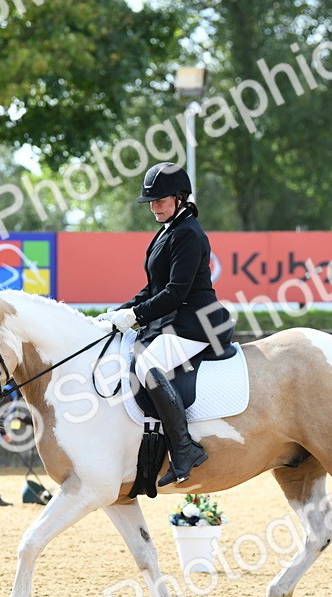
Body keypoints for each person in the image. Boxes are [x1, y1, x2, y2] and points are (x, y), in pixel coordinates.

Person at [96, 162, 233, 486]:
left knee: (148, 365)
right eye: (151, 202)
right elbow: (153, 288)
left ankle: (185, 449)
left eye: (160, 200)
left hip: (197, 322)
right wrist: (118, 312)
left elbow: (175, 292)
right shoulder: (168, 229)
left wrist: (137, 316)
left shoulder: (188, 233)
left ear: (180, 197)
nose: (154, 206)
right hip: (175, 320)